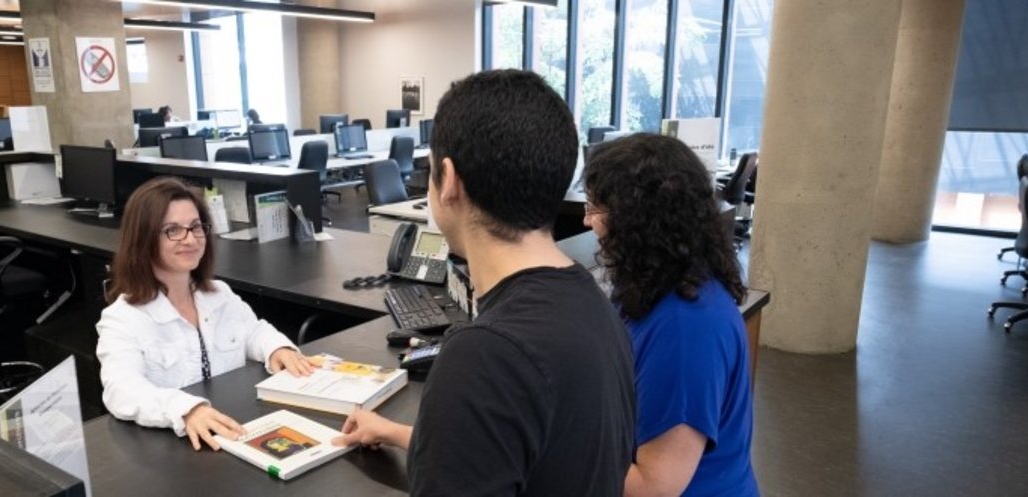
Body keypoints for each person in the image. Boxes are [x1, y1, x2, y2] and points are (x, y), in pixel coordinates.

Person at [333, 70, 636, 496]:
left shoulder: (485, 357)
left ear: (449, 180)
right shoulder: (593, 305)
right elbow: (538, 455)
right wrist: (411, 436)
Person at [583, 134, 759, 497]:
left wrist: (558, 442)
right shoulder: (656, 283)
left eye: (595, 208)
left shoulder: (688, 327)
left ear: (636, 219)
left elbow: (654, 487)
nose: (587, 221)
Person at [96, 177, 314, 452]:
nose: (190, 239)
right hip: (178, 450)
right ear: (143, 239)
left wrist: (277, 348)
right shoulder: (123, 319)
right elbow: (122, 389)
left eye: (195, 227)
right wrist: (186, 410)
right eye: (172, 230)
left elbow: (253, 331)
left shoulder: (219, 294)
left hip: (235, 430)